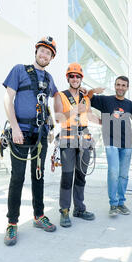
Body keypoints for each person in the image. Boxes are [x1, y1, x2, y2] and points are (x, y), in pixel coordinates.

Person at [2, 36, 59, 246]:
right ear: (36, 52)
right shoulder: (19, 70)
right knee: (17, 177)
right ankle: (12, 223)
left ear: (51, 58)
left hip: (40, 135)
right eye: (42, 51)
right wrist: (15, 127)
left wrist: (52, 126)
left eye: (49, 53)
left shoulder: (50, 79)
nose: (44, 55)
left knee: (38, 175)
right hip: (21, 132)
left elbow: (51, 104)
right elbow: (8, 98)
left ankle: (39, 215)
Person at [54, 63, 97, 228]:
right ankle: (64, 210)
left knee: (81, 176)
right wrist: (74, 110)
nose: (74, 78)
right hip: (67, 137)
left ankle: (79, 208)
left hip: (84, 137)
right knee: (67, 175)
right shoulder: (60, 95)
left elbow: (89, 116)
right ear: (67, 78)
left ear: (81, 79)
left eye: (77, 76)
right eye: (71, 76)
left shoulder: (86, 98)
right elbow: (58, 118)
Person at [88, 76, 132, 216]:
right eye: (118, 84)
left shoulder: (130, 105)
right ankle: (113, 204)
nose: (120, 87)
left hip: (126, 144)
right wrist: (92, 90)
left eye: (123, 85)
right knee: (114, 172)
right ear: (115, 86)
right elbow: (88, 98)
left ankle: (121, 202)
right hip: (111, 142)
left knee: (124, 175)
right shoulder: (105, 100)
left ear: (127, 87)